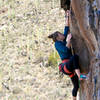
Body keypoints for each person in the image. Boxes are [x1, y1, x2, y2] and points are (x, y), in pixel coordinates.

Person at [48, 10, 87, 100]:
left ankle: (74, 98)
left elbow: (66, 28)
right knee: (74, 57)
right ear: (58, 37)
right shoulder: (57, 44)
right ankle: (80, 75)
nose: (63, 34)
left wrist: (67, 16)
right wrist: (68, 40)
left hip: (70, 66)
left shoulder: (62, 39)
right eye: (60, 34)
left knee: (76, 86)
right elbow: (66, 50)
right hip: (66, 65)